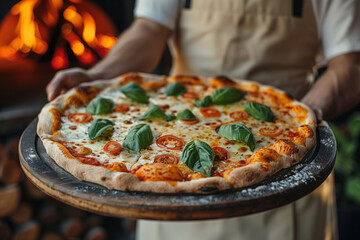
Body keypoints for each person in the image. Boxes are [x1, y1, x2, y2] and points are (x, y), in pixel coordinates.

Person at [47, 0, 360, 239]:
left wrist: (305, 118)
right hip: (167, 150)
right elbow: (149, 30)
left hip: (284, 158)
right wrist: (96, 76)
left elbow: (349, 66)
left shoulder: (291, 133)